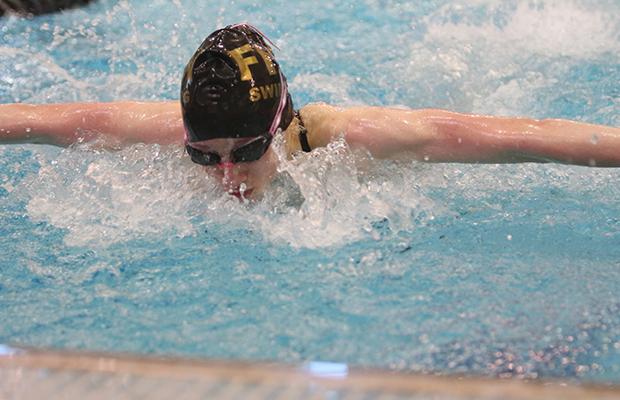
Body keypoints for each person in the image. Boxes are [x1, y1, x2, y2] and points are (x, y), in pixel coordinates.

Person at [0, 24, 619, 199]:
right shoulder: (187, 131)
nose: (226, 175)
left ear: (278, 127)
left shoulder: (343, 143)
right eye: (203, 156)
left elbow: (509, 138)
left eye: (245, 153)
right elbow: (57, 121)